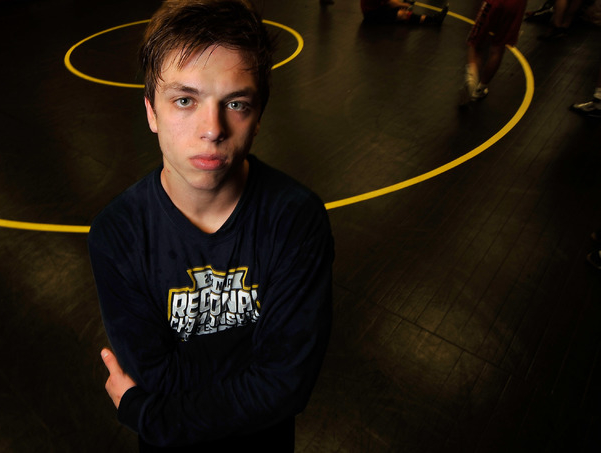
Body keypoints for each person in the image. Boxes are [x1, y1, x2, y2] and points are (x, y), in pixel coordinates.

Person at [87, 1, 335, 451]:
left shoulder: (296, 219)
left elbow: (288, 385)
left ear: (257, 117)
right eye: (185, 100)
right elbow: (155, 374)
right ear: (151, 112)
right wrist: (258, 376)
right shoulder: (118, 233)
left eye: (235, 103)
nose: (212, 128)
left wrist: (149, 415)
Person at [459, 0, 528, 106]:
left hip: (494, 2)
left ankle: (471, 77)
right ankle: (480, 89)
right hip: (517, 4)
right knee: (498, 49)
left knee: (475, 44)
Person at [360, 0, 449, 26]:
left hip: (376, 8)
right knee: (403, 14)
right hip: (372, 15)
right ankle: (434, 19)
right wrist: (405, 5)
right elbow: (390, 3)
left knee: (400, 10)